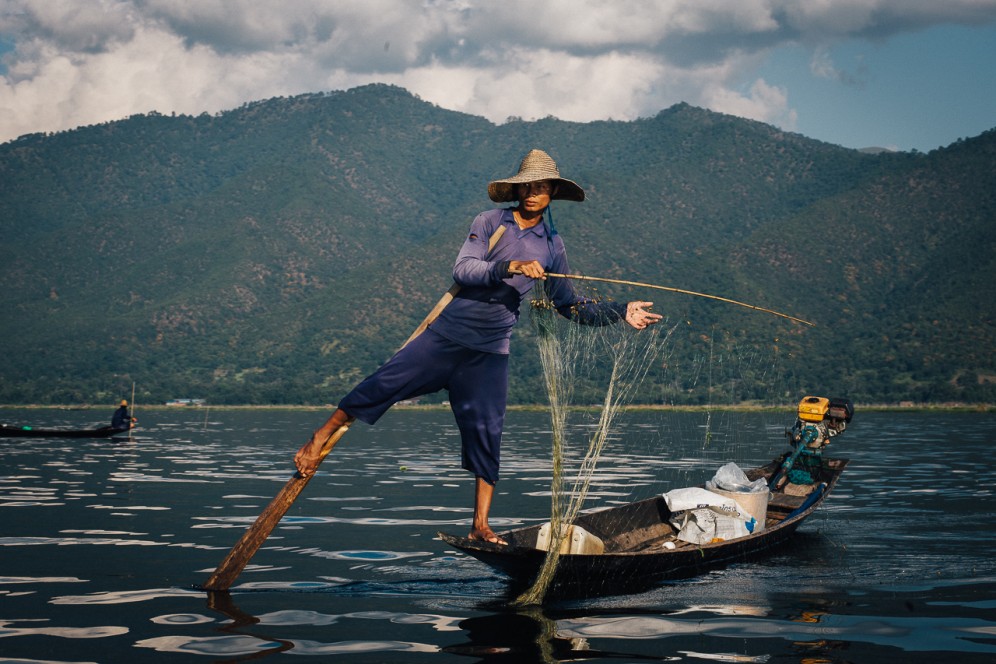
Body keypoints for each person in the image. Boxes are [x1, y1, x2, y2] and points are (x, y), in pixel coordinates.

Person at [294, 149, 662, 544]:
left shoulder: (552, 244)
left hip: (489, 354)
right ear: (517, 189)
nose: (533, 193)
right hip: (446, 338)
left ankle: (480, 525)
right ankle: (318, 437)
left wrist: (619, 310)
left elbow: (568, 304)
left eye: (541, 187)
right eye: (527, 186)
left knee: (488, 433)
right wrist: (511, 267)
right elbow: (464, 270)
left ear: (553, 191)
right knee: (382, 384)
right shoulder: (490, 223)